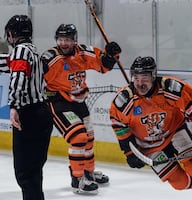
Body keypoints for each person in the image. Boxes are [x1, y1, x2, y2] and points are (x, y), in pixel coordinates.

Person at [110, 56, 192, 200]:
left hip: (175, 131)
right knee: (179, 183)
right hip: (149, 146)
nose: (139, 83)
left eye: (144, 78)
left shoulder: (170, 87)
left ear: (153, 75)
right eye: (136, 78)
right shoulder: (125, 100)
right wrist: (128, 151)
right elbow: (118, 124)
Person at [41, 24, 121, 194]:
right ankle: (77, 179)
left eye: (67, 40)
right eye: (61, 39)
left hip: (79, 101)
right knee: (78, 137)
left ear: (74, 40)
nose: (63, 43)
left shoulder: (83, 52)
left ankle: (88, 173)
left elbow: (103, 66)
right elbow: (37, 72)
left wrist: (111, 55)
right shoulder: (51, 58)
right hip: (58, 102)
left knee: (89, 138)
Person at [5, 15, 53, 200]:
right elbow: (8, 64)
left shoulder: (20, 51)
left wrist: (14, 106)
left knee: (25, 174)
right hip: (41, 114)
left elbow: (18, 79)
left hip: (29, 115)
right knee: (33, 173)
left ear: (10, 34)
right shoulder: (32, 50)